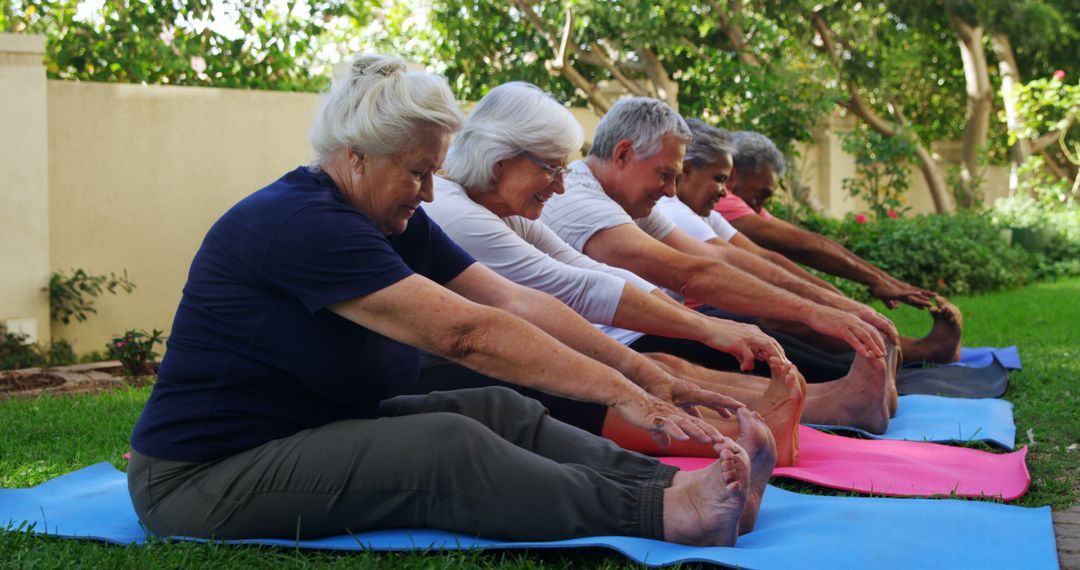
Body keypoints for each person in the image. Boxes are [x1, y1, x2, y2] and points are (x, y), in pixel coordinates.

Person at [125, 54, 758, 547]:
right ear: (355, 156)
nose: (431, 192)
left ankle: (675, 485)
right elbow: (465, 334)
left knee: (495, 409)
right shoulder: (301, 223)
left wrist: (648, 375)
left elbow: (513, 302)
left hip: (304, 429)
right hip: (200, 479)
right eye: (417, 171)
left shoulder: (389, 217)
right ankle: (666, 514)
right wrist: (620, 391)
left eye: (434, 171)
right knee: (445, 449)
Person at [540, 97, 897, 427]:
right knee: (673, 360)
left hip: (626, 333)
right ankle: (840, 401)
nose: (670, 192)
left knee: (692, 349)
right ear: (622, 155)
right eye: (666, 175)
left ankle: (842, 397)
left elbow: (717, 258)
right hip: (604, 345)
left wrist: (834, 305)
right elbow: (690, 275)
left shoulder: (619, 196)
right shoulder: (577, 201)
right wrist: (815, 310)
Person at [661, 120, 964, 365]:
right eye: (719, 179)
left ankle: (884, 357)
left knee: (788, 312)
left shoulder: (703, 208)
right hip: (696, 317)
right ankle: (897, 356)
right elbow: (794, 250)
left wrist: (848, 303)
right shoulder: (683, 207)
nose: (724, 191)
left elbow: (782, 254)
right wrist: (838, 307)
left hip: (703, 312)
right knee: (778, 314)